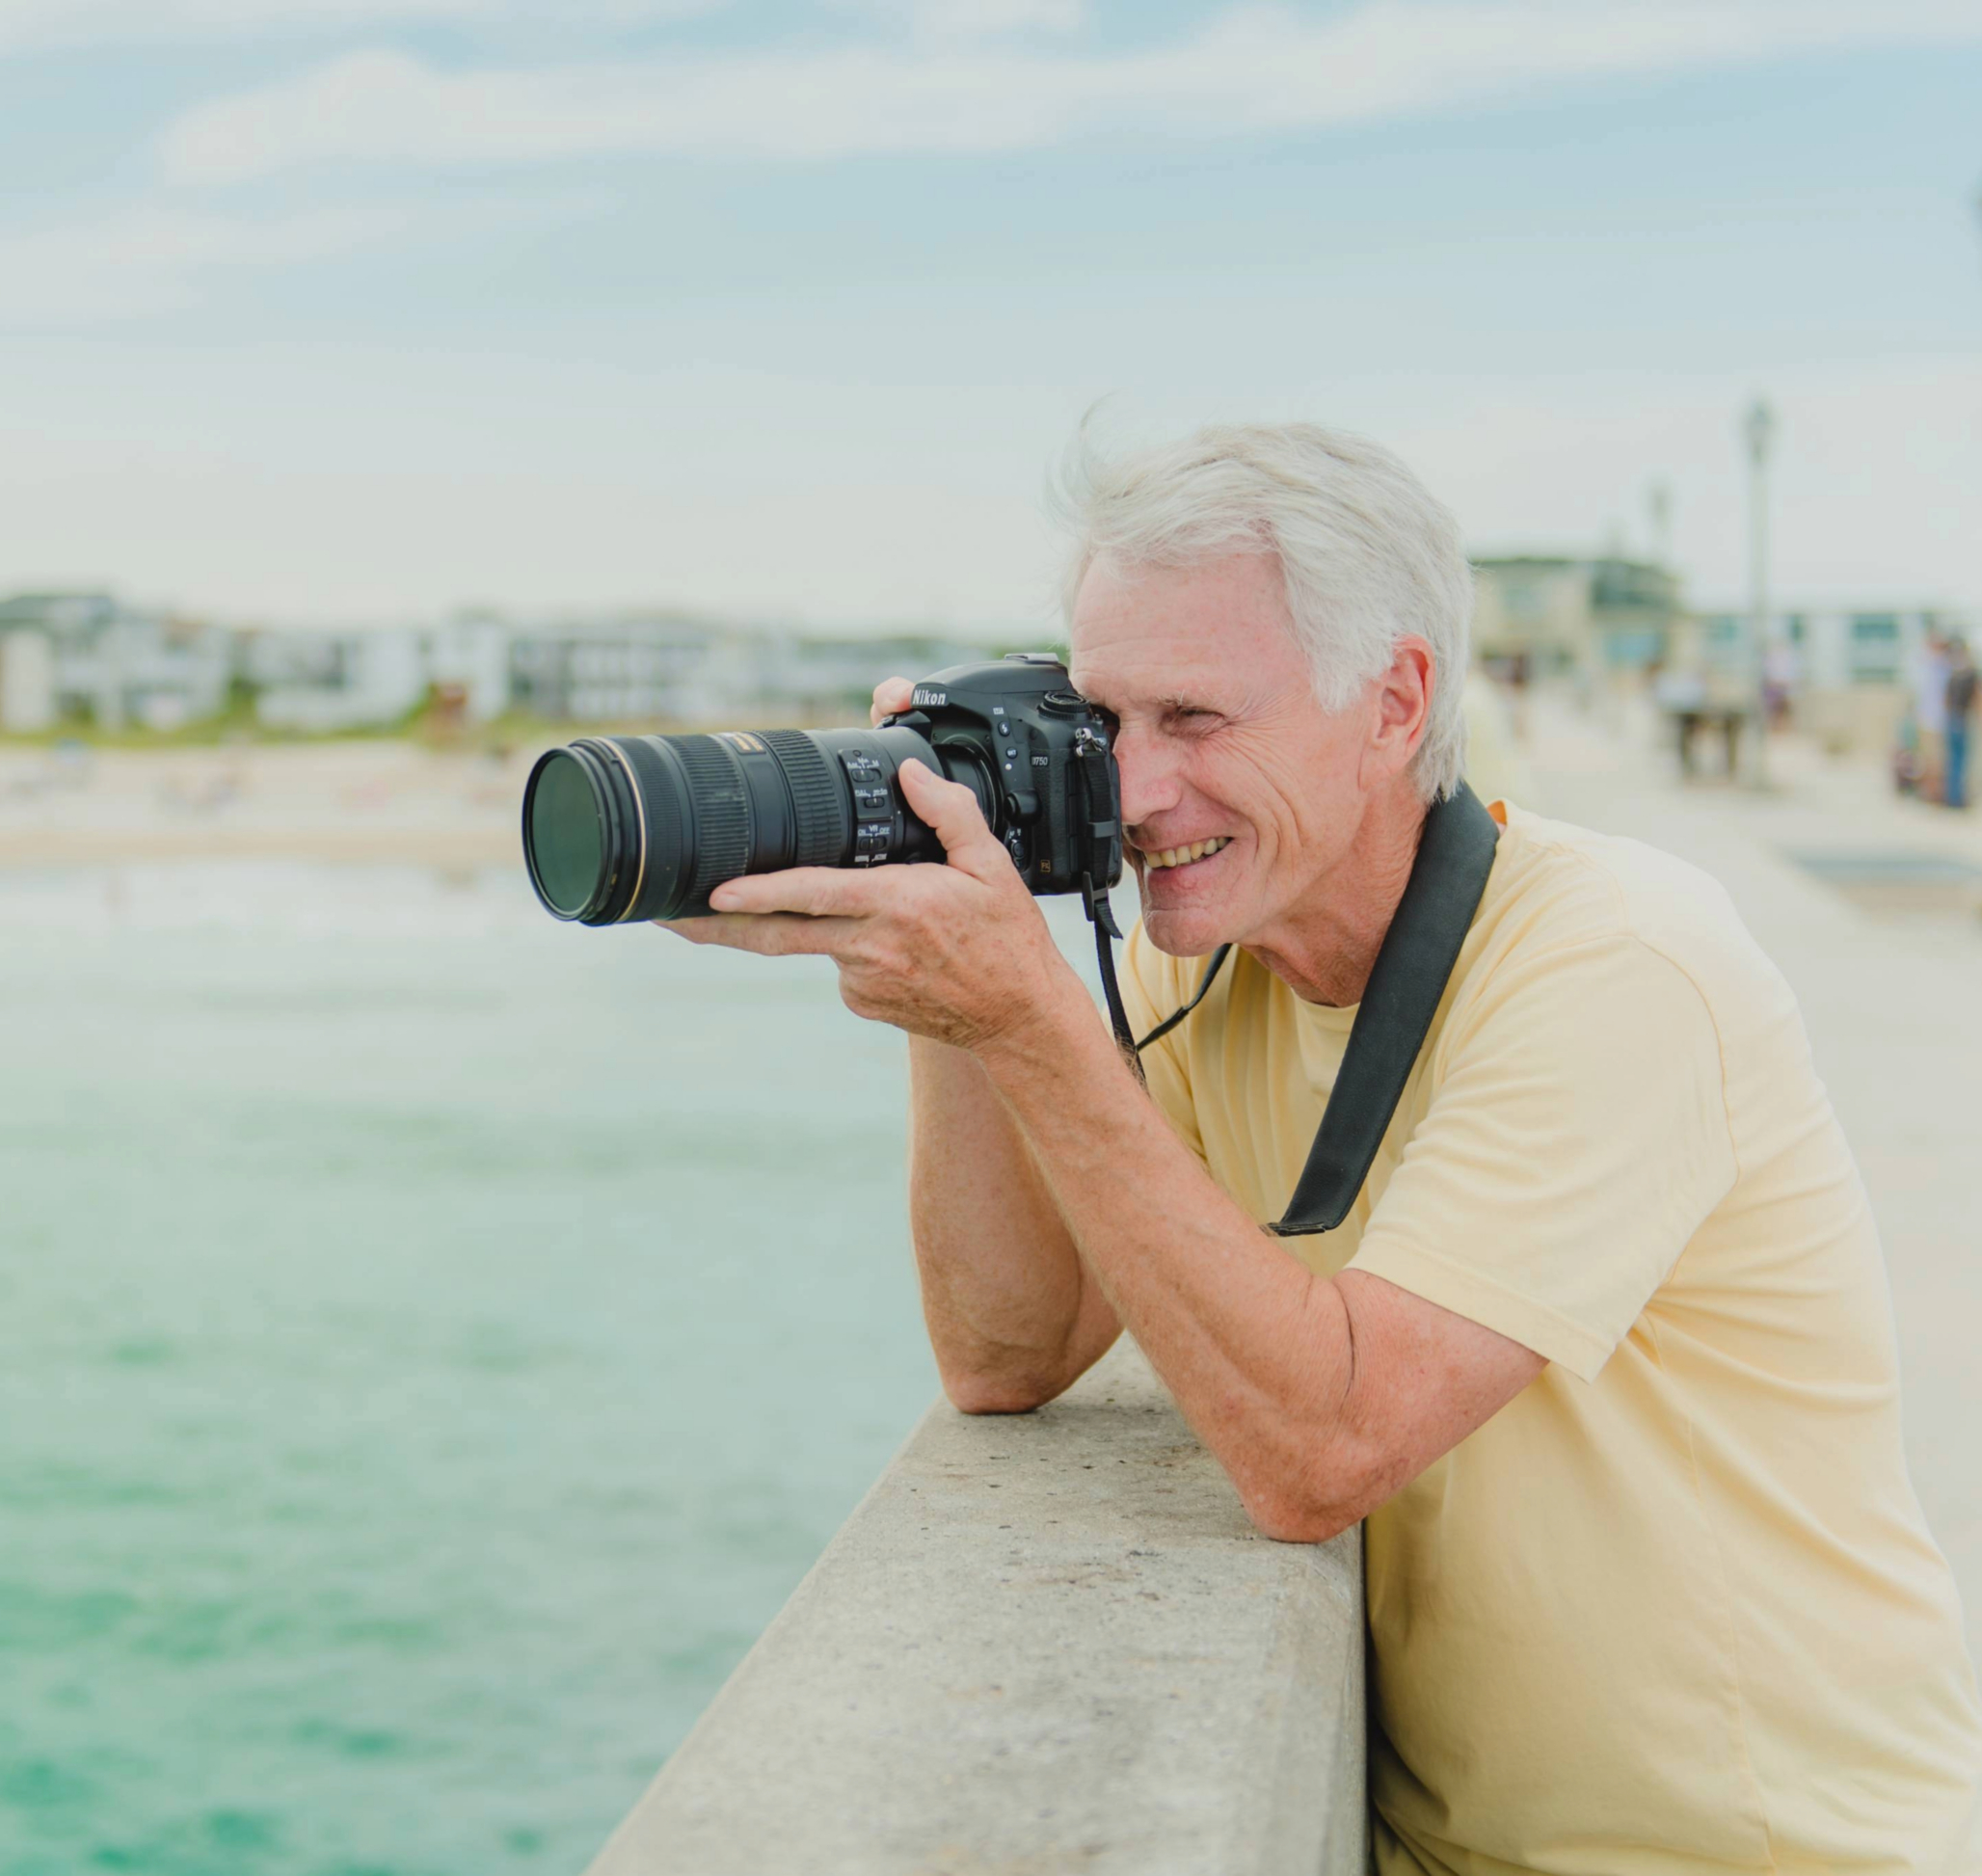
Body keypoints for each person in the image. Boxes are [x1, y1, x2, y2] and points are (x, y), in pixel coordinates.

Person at [663, 423, 1982, 1871]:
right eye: (1106, 720)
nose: (1136, 790)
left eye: (1196, 718)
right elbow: (1009, 1352)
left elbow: (1324, 1446)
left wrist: (1037, 1025)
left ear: (1394, 700)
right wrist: (944, 930)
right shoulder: (1202, 953)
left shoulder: (1618, 962)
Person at [1915, 629, 1951, 804]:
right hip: (1932, 720)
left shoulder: (1935, 665)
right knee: (1931, 760)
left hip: (1934, 719)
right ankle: (1932, 795)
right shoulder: (1934, 665)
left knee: (1934, 761)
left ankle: (1933, 795)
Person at [1945, 636, 1976, 811]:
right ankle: (1958, 799)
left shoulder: (1953, 673)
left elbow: (1947, 701)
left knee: (1954, 760)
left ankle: (1953, 798)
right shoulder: (1970, 673)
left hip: (1953, 719)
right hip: (1962, 719)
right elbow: (1977, 698)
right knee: (1961, 760)